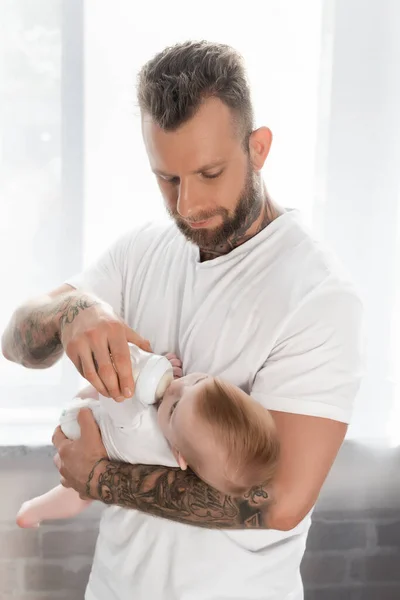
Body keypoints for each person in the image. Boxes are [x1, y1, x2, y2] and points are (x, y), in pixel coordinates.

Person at [1, 40, 364, 600]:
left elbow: (282, 502)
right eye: (167, 179)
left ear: (259, 148)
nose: (188, 205)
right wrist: (74, 311)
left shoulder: (316, 295)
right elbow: (16, 340)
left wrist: (98, 478)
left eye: (209, 172)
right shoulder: (143, 249)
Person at [16, 353, 279, 528]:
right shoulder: (192, 448)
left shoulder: (139, 423)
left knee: (77, 491)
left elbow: (115, 387)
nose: (176, 386)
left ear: (179, 455)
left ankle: (34, 510)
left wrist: (151, 369)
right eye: (198, 381)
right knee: (78, 498)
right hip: (109, 449)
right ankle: (33, 512)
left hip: (83, 426)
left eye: (174, 407)